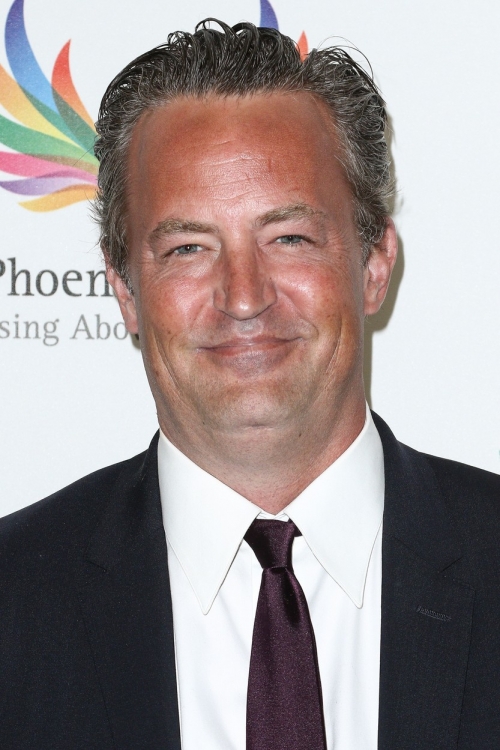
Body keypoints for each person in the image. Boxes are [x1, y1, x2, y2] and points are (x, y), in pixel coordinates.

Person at [0, 19, 499, 750]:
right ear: (126, 291)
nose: (243, 297)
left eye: (288, 238)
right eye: (188, 248)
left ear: (374, 264)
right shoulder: (14, 601)